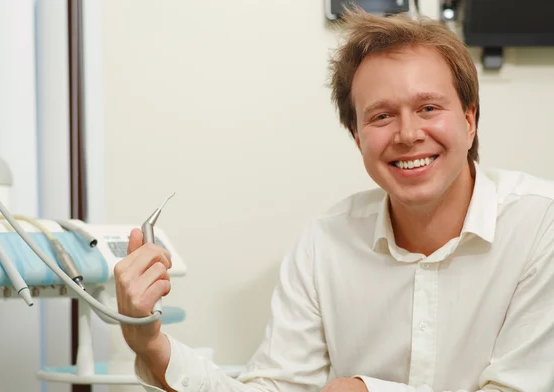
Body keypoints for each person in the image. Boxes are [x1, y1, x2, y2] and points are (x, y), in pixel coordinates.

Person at [114, 7, 554, 392]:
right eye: (381, 116)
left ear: (470, 120)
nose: (407, 134)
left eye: (428, 108)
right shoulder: (324, 243)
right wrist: (151, 344)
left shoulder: (541, 225)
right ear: (356, 136)